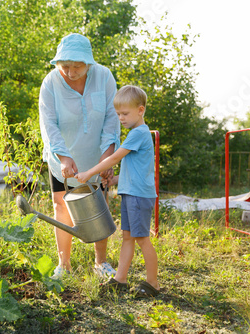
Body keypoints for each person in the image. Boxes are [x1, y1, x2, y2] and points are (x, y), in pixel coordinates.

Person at [39, 33, 121, 279]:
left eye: (77, 66)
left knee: (100, 205)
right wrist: (63, 156)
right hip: (62, 157)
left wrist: (108, 157)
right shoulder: (50, 83)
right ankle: (63, 266)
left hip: (96, 156)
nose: (71, 72)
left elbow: (111, 117)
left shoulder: (104, 77)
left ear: (89, 63)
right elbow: (48, 124)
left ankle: (101, 263)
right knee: (61, 205)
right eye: (65, 66)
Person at [75, 85, 160, 297]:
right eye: (118, 114)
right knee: (128, 238)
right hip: (132, 194)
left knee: (142, 239)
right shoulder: (136, 134)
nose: (121, 118)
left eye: (125, 113)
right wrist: (113, 180)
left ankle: (153, 284)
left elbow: (114, 158)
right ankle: (120, 279)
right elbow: (136, 171)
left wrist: (88, 173)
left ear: (140, 110)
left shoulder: (138, 134)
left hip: (139, 197)